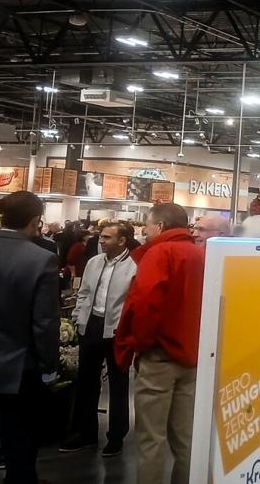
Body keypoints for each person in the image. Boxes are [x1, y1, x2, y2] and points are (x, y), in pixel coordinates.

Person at [114, 203, 206, 484]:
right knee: (186, 439)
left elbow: (144, 304)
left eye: (147, 225)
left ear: (161, 226)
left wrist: (138, 345)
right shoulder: (201, 255)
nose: (144, 230)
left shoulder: (159, 253)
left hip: (159, 356)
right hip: (191, 357)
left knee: (151, 440)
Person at [0, 192, 60, 483]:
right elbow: (44, 323)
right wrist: (49, 366)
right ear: (35, 220)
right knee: (19, 447)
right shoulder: (42, 260)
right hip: (18, 368)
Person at [61, 222, 138, 456]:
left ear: (122, 240)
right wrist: (78, 317)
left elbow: (134, 301)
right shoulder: (94, 263)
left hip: (117, 330)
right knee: (86, 381)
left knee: (118, 382)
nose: (101, 240)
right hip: (91, 325)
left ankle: (116, 436)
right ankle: (84, 433)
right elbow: (84, 292)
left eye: (106, 237)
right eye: (101, 237)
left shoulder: (135, 266)